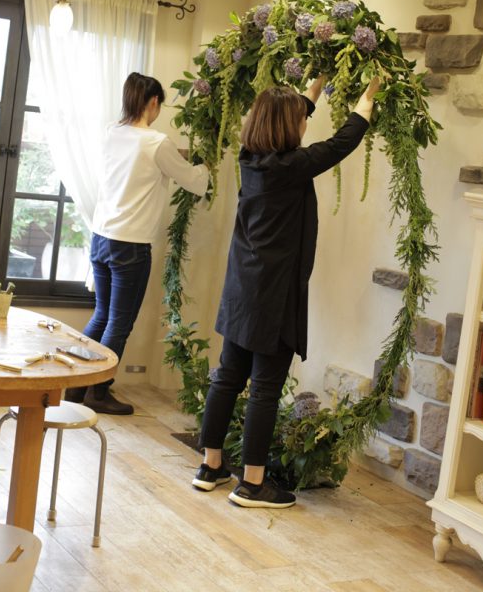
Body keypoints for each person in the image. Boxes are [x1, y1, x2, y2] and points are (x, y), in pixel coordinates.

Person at [192, 75, 379, 507]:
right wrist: (365, 102)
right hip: (272, 295)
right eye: (298, 120)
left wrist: (312, 91)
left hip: (241, 287)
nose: (303, 125)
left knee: (227, 377)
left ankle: (211, 466)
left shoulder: (251, 157)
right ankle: (252, 484)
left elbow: (289, 120)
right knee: (264, 388)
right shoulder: (290, 165)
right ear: (286, 128)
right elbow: (339, 145)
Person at [67, 72, 209, 415]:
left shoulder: (112, 134)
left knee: (102, 315)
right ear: (154, 102)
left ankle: (72, 388)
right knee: (119, 323)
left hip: (101, 238)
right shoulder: (156, 142)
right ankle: (98, 392)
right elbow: (192, 179)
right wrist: (207, 163)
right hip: (130, 247)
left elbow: (145, 164)